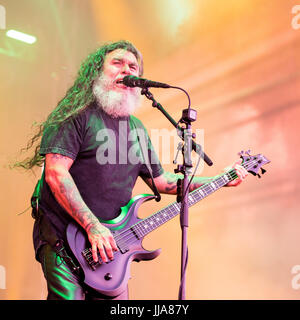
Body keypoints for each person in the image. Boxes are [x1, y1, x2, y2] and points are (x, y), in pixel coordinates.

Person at [20, 40, 248, 300]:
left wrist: (219, 180)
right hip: (64, 235)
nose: (126, 70)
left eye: (133, 66)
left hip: (110, 247)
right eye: (117, 63)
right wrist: (93, 227)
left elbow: (163, 182)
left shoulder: (137, 129)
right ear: (97, 71)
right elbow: (55, 173)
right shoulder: (75, 115)